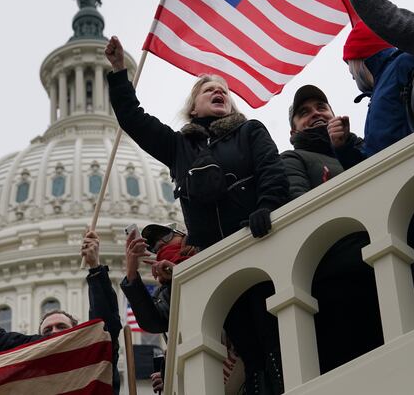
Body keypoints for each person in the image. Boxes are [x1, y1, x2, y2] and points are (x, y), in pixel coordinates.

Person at [105, 36, 289, 395]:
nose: (218, 91)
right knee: (248, 348)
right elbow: (134, 120)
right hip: (215, 260)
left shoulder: (250, 131)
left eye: (224, 90)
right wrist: (118, 72)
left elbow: (272, 172)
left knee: (273, 336)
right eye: (209, 89)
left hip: (256, 241)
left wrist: (266, 207)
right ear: (193, 107)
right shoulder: (179, 147)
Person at [281, 85, 383, 373]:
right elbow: (300, 211)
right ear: (293, 131)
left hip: (384, 260)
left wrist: (346, 148)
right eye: (304, 112)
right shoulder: (293, 159)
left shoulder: (361, 146)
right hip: (336, 282)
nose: (315, 114)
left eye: (321, 107)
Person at [37, 230, 123, 394]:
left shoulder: (93, 359)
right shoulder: (33, 376)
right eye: (47, 330)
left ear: (76, 333)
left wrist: (95, 268)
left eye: (61, 326)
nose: (54, 331)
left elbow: (104, 324)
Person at [327, 22, 414, 169]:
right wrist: (343, 147)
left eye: (350, 65)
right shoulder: (379, 92)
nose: (352, 75)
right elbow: (371, 161)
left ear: (360, 58)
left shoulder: (403, 63)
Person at [119, 223, 194, 335]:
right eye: (154, 246)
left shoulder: (205, 248)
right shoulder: (163, 291)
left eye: (167, 236)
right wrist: (131, 272)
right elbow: (153, 323)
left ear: (184, 235)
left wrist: (179, 274)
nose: (160, 243)